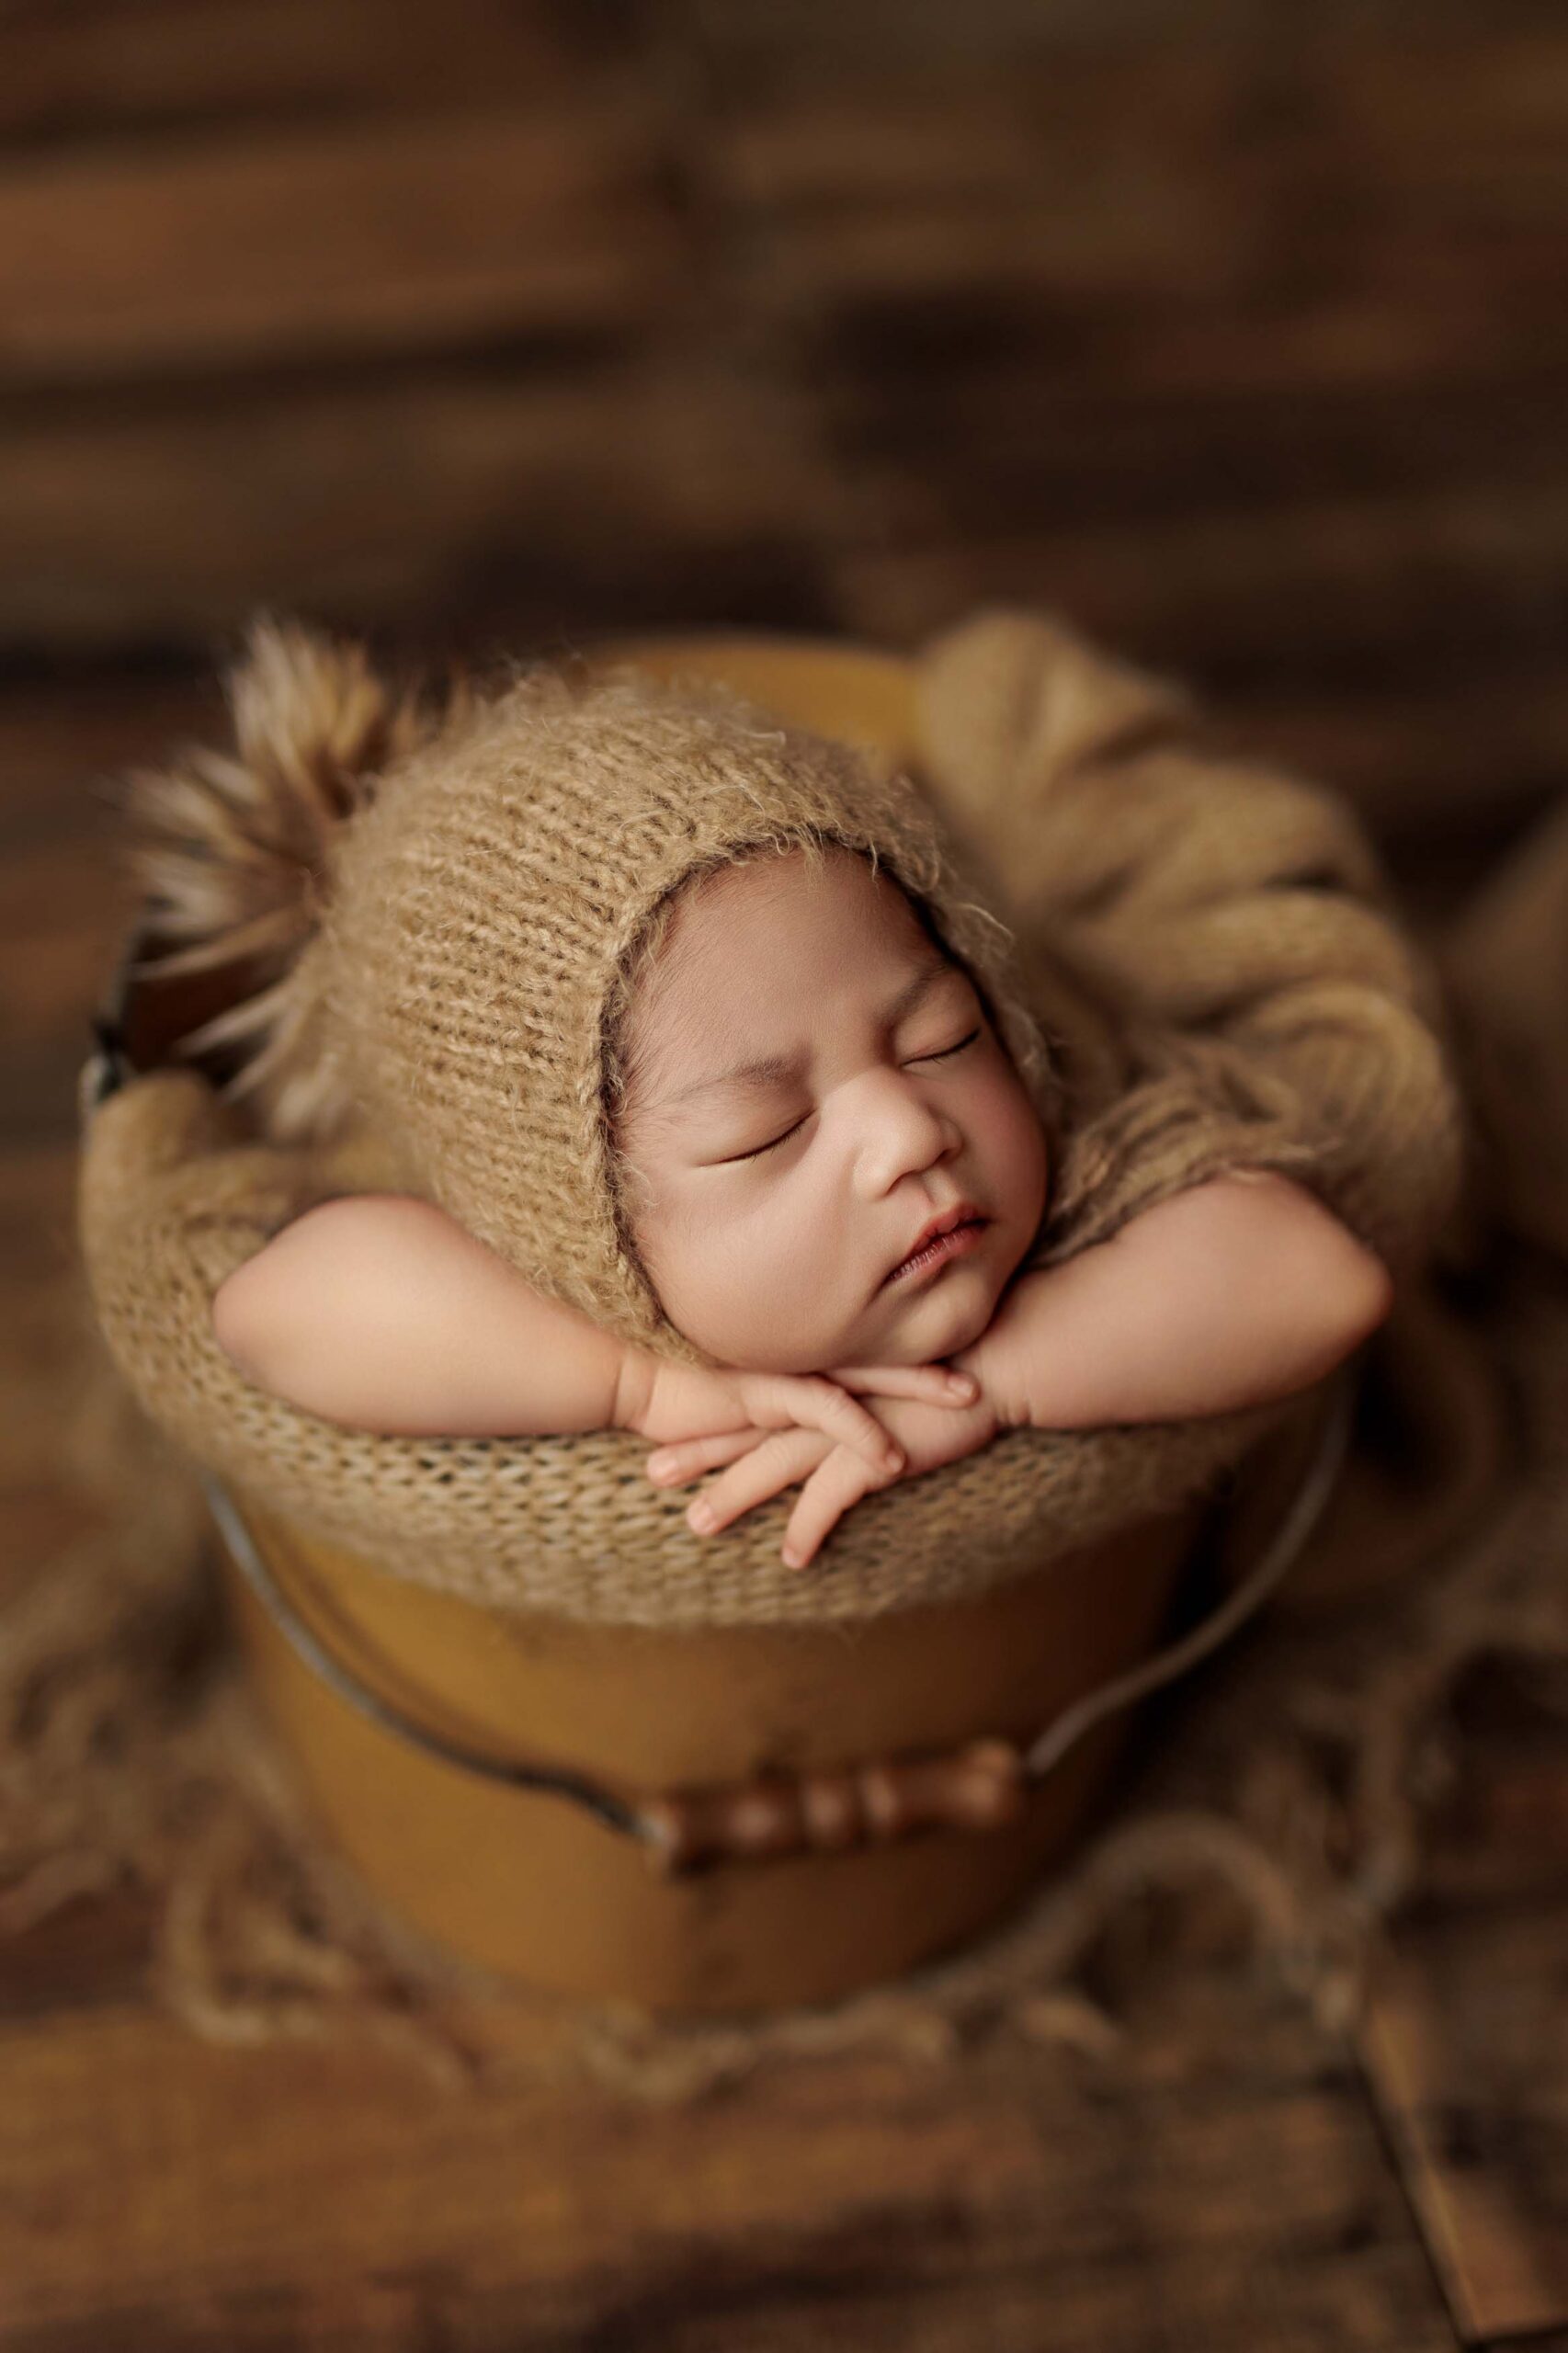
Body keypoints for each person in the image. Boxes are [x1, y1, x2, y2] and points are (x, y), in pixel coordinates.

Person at [210, 835, 1392, 1572]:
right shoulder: (541, 1258)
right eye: (764, 1131)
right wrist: (647, 1383)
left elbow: (1314, 1274)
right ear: (582, 1228)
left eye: (940, 1038)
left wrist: (998, 1381)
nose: (907, 1130)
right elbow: (275, 1304)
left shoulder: (1078, 1145)